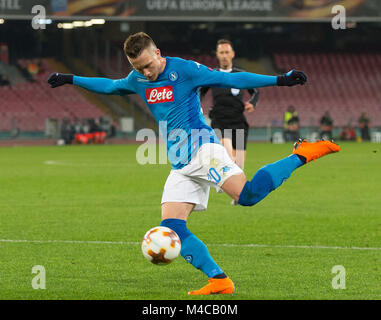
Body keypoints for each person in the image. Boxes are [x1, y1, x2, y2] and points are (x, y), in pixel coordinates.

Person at [48, 32, 340, 295]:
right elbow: (110, 86)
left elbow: (229, 80)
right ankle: (219, 280)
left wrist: (279, 79)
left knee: (248, 196)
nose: (146, 73)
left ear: (158, 53)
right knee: (172, 227)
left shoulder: (185, 70)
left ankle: (302, 153)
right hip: (180, 164)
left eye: (149, 65)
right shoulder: (137, 79)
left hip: (203, 151)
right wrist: (70, 79)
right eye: (139, 68)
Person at [199, 39, 259, 176]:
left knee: (239, 165)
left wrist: (252, 103)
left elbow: (255, 91)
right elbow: (201, 91)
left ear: (232, 54)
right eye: (221, 52)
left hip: (238, 121)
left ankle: (233, 187)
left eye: (227, 52)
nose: (224, 55)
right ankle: (223, 178)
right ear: (217, 55)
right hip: (219, 120)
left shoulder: (240, 74)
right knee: (225, 150)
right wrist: (198, 107)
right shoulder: (213, 74)